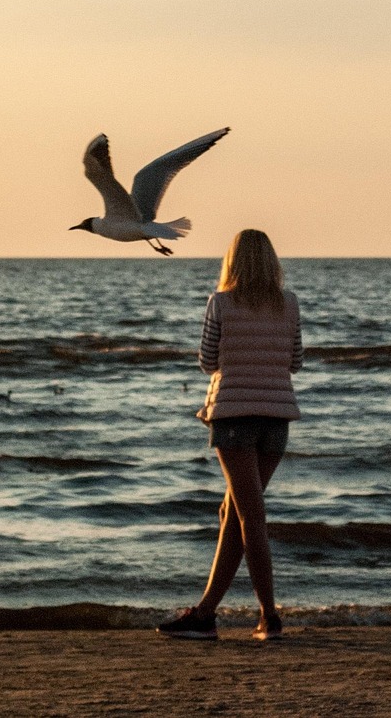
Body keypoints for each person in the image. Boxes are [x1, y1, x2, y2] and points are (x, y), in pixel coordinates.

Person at [157, 229, 303, 642]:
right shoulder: (289, 303)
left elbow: (207, 361)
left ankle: (269, 616)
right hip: (276, 418)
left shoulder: (220, 303)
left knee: (248, 516)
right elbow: (296, 361)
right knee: (233, 514)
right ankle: (205, 614)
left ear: (232, 262)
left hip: (234, 417)